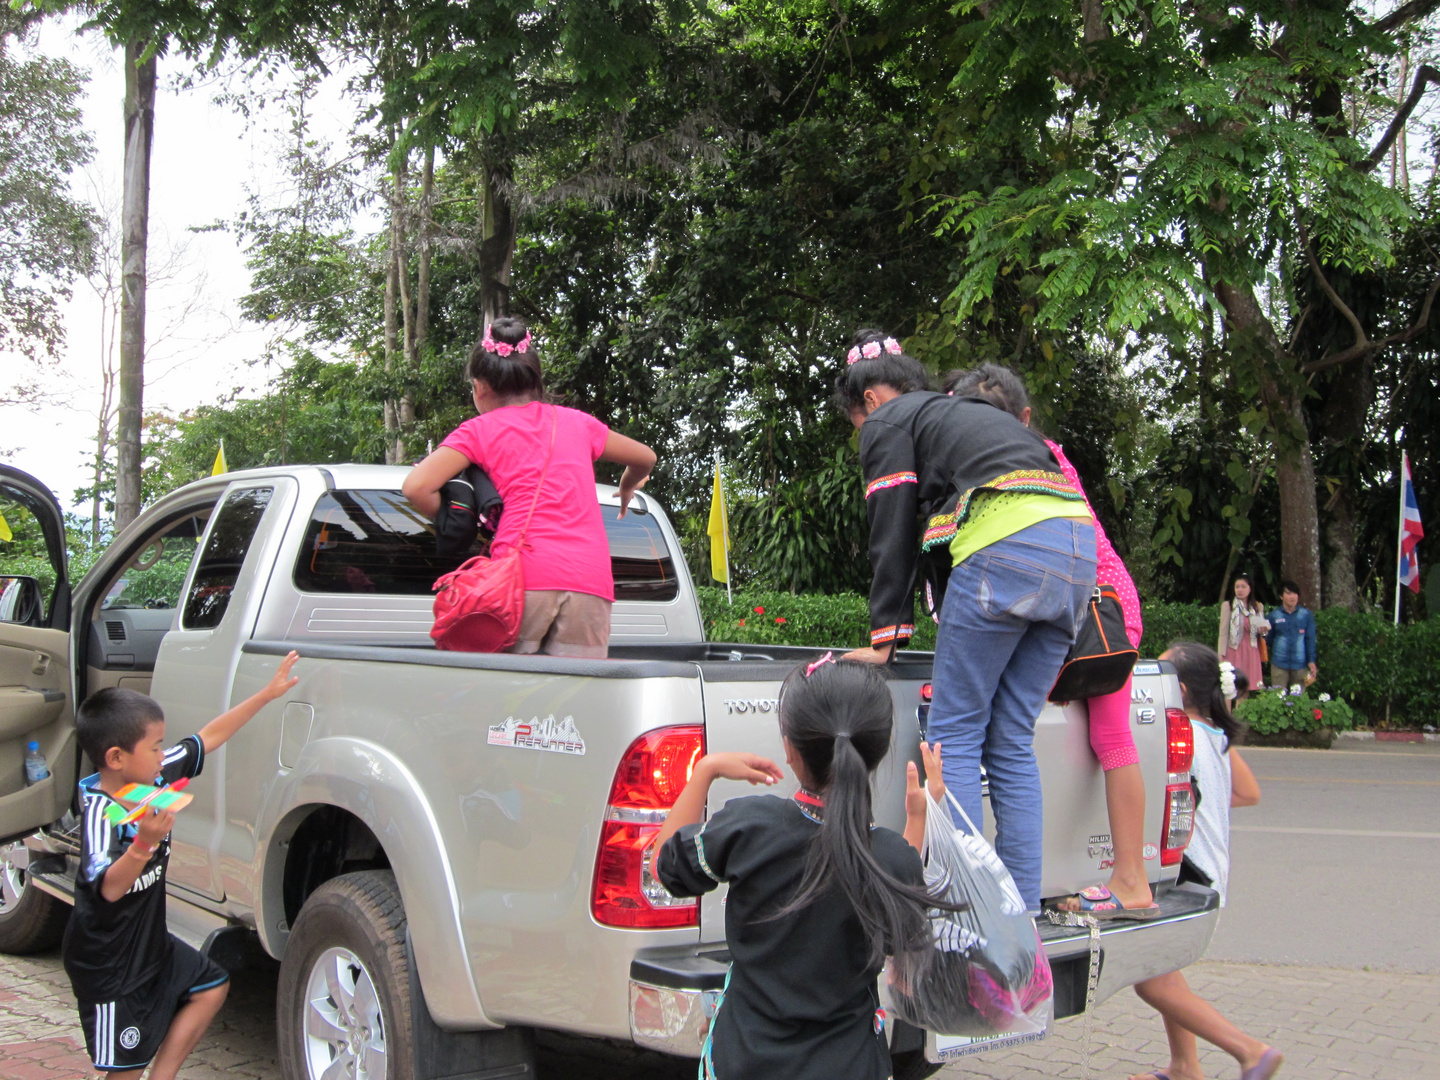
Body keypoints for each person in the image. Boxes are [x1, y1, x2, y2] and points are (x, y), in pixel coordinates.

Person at [835, 329, 1097, 915]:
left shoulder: (887, 422)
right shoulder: (959, 416)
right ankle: (1022, 915)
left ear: (870, 403)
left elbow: (892, 530)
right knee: (1008, 742)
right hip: (1076, 548)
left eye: (855, 424)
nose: (863, 437)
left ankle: (969, 917)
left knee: (951, 738)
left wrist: (886, 638)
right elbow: (941, 539)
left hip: (1008, 543)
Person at [653, 656, 949, 1080]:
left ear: (790, 748)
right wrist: (920, 818)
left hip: (745, 1061)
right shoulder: (891, 857)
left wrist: (705, 771)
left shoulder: (749, 828)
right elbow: (900, 945)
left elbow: (663, 866)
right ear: (878, 752)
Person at [945, 364, 1156, 919]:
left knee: (1111, 738)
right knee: (1014, 736)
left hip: (1103, 613)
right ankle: (1026, 900)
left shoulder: (1033, 456)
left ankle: (1131, 875)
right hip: (1075, 600)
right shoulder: (1039, 453)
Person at [63, 652, 299, 1080]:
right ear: (116, 758)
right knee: (123, 1072)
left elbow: (207, 737)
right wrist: (143, 847)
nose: (162, 755)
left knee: (210, 985)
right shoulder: (99, 813)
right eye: (154, 747)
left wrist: (266, 695)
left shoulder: (149, 777)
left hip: (151, 945)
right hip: (110, 965)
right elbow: (108, 889)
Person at [402, 317, 657, 658]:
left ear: (480, 388)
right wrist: (627, 487)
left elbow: (416, 487)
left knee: (512, 701)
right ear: (533, 381)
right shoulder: (578, 423)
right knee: (574, 701)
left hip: (520, 578)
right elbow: (645, 457)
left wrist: (458, 520)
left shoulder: (478, 430)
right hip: (589, 581)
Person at [1129, 642, 1282, 1080]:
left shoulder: (1178, 734)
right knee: (1168, 972)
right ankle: (1184, 1067)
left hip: (1186, 875)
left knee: (1153, 980)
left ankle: (1250, 1051)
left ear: (1174, 689)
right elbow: (1249, 793)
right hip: (1210, 873)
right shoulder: (1214, 737)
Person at [1218, 574, 1269, 696]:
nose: (1239, 590)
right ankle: (1226, 714)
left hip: (1250, 650)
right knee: (1229, 687)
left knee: (1245, 686)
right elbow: (1223, 632)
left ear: (1250, 588)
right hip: (1233, 649)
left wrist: (1264, 629)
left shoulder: (1257, 607)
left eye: (1243, 587)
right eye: (1237, 587)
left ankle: (1240, 713)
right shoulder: (1228, 606)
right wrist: (1220, 654)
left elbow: (1261, 631)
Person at [1265, 580, 1316, 691]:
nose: (1292, 597)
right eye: (1288, 593)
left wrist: (1311, 661)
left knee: (1298, 702)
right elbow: (1268, 638)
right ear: (1281, 596)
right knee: (1277, 700)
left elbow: (1310, 639)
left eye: (1294, 593)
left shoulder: (1306, 615)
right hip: (1279, 664)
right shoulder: (1273, 616)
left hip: (1300, 665)